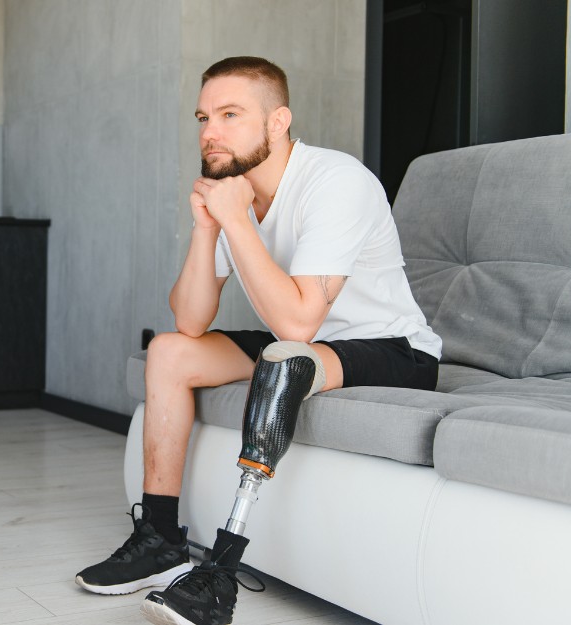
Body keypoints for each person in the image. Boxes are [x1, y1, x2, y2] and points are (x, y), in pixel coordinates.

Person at [74, 56, 442, 625]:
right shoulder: (235, 194)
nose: (209, 132)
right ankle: (159, 540)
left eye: (229, 114)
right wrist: (207, 228)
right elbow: (190, 321)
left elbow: (298, 326)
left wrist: (238, 222)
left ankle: (219, 576)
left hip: (392, 348)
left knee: (285, 356)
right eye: (203, 117)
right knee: (170, 352)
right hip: (296, 340)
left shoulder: (335, 181)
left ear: (277, 122)